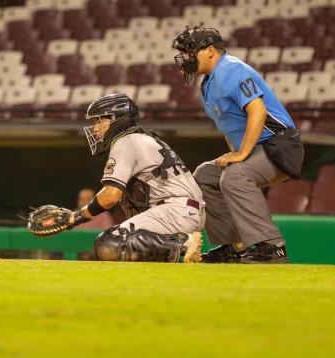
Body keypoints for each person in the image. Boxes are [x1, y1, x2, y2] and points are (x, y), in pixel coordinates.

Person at [172, 25, 302, 264]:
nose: (187, 58)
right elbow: (230, 126)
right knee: (206, 175)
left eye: (191, 52)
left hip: (280, 145)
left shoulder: (232, 69)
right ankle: (236, 246)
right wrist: (236, 153)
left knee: (234, 176)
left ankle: (271, 247)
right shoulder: (208, 83)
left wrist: (242, 154)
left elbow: (258, 112)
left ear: (210, 50)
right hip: (259, 149)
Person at [29, 93, 204, 263]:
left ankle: (181, 243)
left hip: (174, 212)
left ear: (117, 119)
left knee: (108, 243)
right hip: (186, 210)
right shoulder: (141, 138)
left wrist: (75, 217)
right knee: (128, 220)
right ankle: (176, 248)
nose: (96, 128)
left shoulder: (125, 141)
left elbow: (110, 195)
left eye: (100, 120)